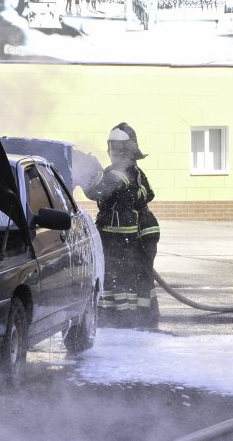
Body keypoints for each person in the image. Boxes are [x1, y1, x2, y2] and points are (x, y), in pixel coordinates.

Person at [80, 123, 159, 330]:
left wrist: (87, 171)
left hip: (121, 237)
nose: (114, 153)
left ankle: (120, 320)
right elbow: (149, 194)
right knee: (139, 278)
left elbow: (96, 192)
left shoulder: (120, 174)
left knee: (118, 279)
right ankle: (144, 318)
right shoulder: (135, 172)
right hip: (139, 234)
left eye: (116, 148)